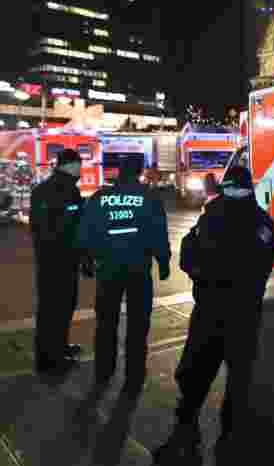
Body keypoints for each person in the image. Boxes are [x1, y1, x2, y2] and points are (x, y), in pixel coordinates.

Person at [153, 166, 274, 466]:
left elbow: (188, 254)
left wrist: (202, 274)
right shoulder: (263, 223)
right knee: (238, 379)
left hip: (210, 312)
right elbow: (261, 266)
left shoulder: (212, 217)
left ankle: (184, 437)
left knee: (194, 375)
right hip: (244, 315)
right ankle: (231, 441)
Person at [76, 155, 171, 398]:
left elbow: (86, 231)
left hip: (108, 269)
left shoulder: (100, 197)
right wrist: (163, 261)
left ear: (119, 172)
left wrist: (86, 259)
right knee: (138, 324)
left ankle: (103, 371)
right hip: (138, 269)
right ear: (139, 172)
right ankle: (134, 374)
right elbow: (158, 232)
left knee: (106, 322)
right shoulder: (149, 197)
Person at [30, 148, 88, 378]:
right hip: (59, 261)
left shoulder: (49, 189)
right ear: (71, 165)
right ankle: (50, 360)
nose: (81, 170)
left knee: (58, 308)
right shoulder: (63, 190)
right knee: (56, 309)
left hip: (53, 260)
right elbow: (68, 228)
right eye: (79, 165)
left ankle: (58, 349)